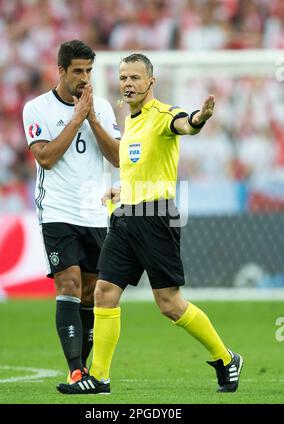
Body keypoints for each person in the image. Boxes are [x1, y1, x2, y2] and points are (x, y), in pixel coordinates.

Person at [57, 53, 243, 395]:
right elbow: (139, 169)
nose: (128, 84)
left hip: (156, 217)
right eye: (124, 78)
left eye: (135, 78)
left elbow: (185, 124)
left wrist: (201, 117)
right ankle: (99, 377)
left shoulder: (161, 115)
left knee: (169, 304)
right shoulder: (132, 123)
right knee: (104, 292)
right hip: (126, 215)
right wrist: (121, 190)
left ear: (151, 82)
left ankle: (225, 358)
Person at [22, 40, 120, 387]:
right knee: (70, 284)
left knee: (93, 291)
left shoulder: (104, 108)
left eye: (89, 71)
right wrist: (75, 118)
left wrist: (91, 119)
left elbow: (119, 157)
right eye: (77, 71)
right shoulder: (36, 109)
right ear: (60, 70)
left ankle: (85, 374)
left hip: (94, 212)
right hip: (57, 209)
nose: (84, 78)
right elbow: (46, 157)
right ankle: (76, 369)